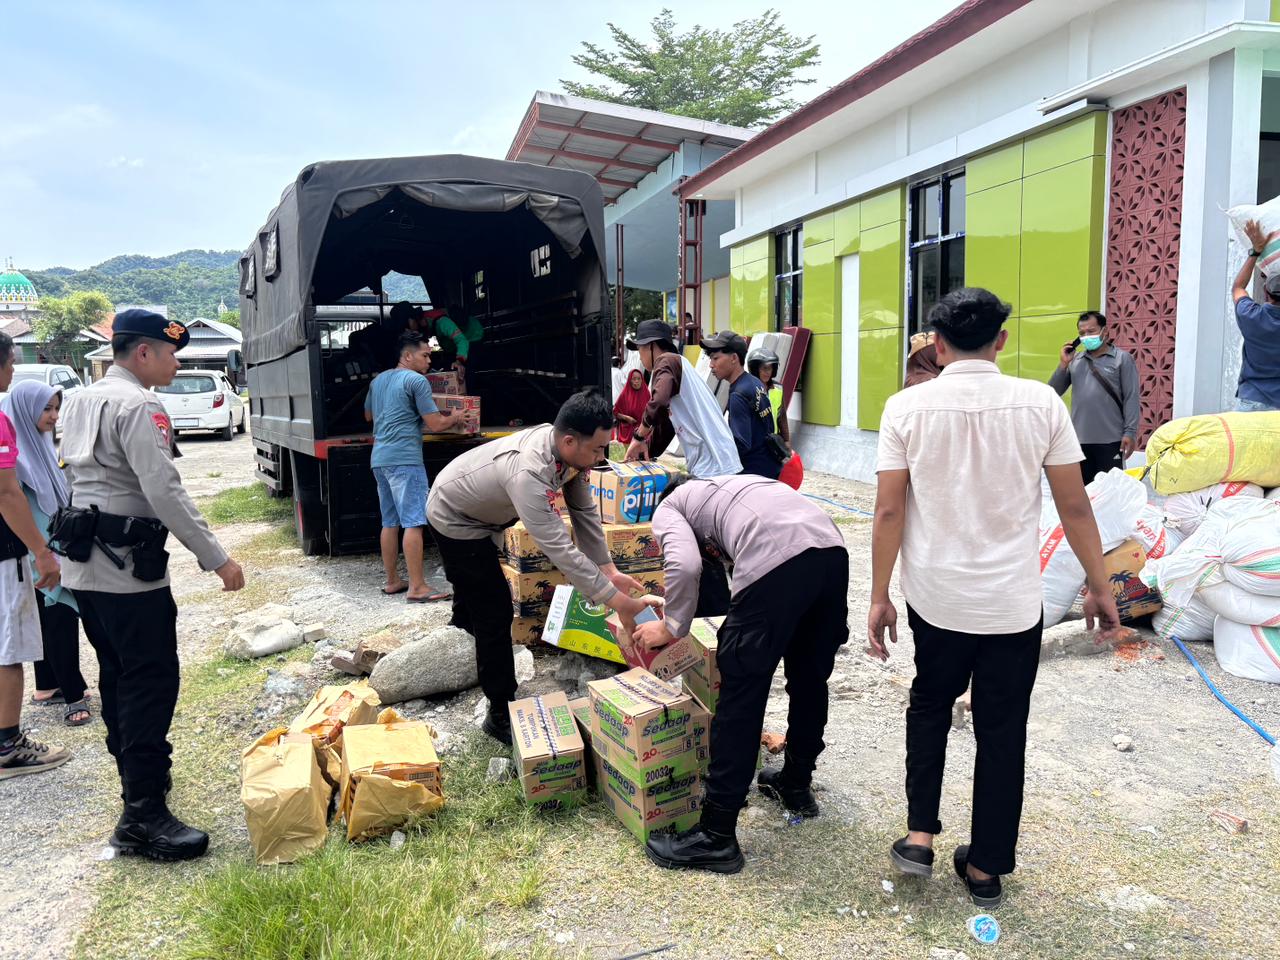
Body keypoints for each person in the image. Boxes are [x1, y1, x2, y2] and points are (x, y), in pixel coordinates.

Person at [868, 288, 1121, 908]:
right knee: (1003, 727)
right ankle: (985, 868)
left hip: (937, 598)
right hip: (1012, 603)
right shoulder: (1041, 403)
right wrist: (1099, 584)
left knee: (930, 705)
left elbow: (889, 511)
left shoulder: (905, 408)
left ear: (938, 344)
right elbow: (1075, 506)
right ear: (1001, 340)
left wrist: (879, 595)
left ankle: (919, 837)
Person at [58, 309, 246, 861]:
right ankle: (142, 817)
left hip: (85, 563)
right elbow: (163, 490)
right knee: (149, 681)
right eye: (169, 354)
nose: (176, 364)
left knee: (117, 675)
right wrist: (217, 559)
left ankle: (138, 784)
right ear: (143, 352)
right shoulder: (138, 404)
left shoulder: (82, 398)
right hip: (126, 571)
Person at [633, 475, 848, 874]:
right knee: (809, 679)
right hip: (831, 555)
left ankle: (716, 835)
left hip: (778, 558)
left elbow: (684, 565)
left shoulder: (670, 506)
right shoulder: (732, 487)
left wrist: (670, 627)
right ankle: (796, 784)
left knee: (742, 690)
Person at [427, 389, 658, 744]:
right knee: (494, 609)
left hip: (484, 512)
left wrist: (609, 570)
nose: (602, 457)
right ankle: (499, 710)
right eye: (598, 449)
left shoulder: (570, 455)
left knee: (475, 590)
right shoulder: (530, 474)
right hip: (454, 517)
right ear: (569, 440)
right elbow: (561, 551)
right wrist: (620, 603)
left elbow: (583, 512)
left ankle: (461, 639)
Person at [0, 331, 71, 781]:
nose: (13, 369)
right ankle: (8, 746)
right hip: (4, 554)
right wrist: (41, 552)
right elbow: (7, 493)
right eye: (11, 361)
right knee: (9, 649)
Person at [1, 382, 90, 726]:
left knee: (46, 615)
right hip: (35, 551)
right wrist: (43, 552)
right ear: (26, 411)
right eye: (46, 409)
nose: (54, 416)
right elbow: (23, 508)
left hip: (44, 547)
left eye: (56, 408)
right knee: (59, 615)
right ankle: (73, 695)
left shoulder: (39, 447)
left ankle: (47, 685)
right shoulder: (17, 459)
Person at [364, 331, 464, 602]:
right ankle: (417, 587)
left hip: (380, 459)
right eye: (425, 355)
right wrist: (456, 416)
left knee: (389, 522)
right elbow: (436, 424)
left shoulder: (378, 381)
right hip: (405, 459)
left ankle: (393, 581)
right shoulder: (417, 381)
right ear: (408, 356)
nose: (429, 360)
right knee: (414, 521)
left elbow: (368, 415)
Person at [624, 319, 741, 478]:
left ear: (651, 345)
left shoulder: (666, 361)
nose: (640, 357)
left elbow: (658, 402)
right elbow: (665, 427)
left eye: (639, 350)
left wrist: (639, 436)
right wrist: (644, 452)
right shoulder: (677, 366)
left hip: (713, 464)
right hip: (718, 461)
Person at [1048, 311, 1140, 483]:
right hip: (1079, 441)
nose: (1086, 337)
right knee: (1084, 490)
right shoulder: (1075, 360)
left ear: (1105, 331)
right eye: (1082, 333)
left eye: (1091, 331)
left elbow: (1131, 397)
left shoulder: (1122, 359)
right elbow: (1053, 391)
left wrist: (1130, 432)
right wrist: (1063, 364)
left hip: (1111, 440)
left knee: (1110, 489)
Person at [702, 330, 780, 480]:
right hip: (769, 466)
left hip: (752, 475)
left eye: (715, 358)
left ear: (733, 358)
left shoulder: (738, 395)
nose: (711, 365)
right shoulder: (754, 382)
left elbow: (741, 444)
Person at [1230, 220, 1280, 412]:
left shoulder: (1251, 316)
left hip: (1250, 401)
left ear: (1266, 293)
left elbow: (1238, 287)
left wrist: (1255, 251)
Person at [747, 348, 790, 451]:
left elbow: (782, 416)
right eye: (764, 368)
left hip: (773, 441)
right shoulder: (748, 389)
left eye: (770, 368)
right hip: (754, 442)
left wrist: (786, 440)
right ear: (755, 369)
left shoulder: (778, 388)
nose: (767, 372)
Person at [612, 368, 649, 445]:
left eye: (639, 379)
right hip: (628, 434)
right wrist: (627, 418)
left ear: (642, 380)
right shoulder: (624, 395)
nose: (637, 381)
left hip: (643, 433)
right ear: (630, 380)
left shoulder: (647, 394)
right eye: (634, 379)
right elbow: (615, 412)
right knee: (629, 452)